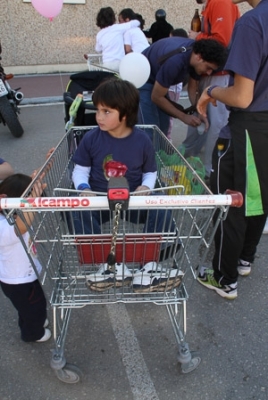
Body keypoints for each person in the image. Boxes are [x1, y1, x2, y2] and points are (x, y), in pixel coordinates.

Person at [71, 78, 180, 289]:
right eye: (98, 110)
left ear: (125, 114)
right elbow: (80, 171)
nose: (99, 117)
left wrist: (146, 187)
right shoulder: (91, 138)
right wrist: (84, 190)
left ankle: (149, 264)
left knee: (160, 201)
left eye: (106, 111)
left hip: (133, 201)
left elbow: (150, 171)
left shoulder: (142, 140)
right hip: (100, 201)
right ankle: (107, 265)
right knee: (77, 207)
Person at [196, 0, 268, 299]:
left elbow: (240, 96)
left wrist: (210, 92)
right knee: (260, 193)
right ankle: (244, 259)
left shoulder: (253, 22)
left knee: (231, 201)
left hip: (249, 125)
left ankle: (224, 278)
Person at [181, 0, 240, 179]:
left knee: (215, 126)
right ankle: (191, 166)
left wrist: (196, 37)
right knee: (202, 121)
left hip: (219, 74)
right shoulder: (211, 5)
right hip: (210, 74)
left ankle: (210, 172)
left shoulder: (220, 2)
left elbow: (222, 40)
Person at [138, 37, 228, 137]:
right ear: (199, 57)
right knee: (150, 129)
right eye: (208, 68)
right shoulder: (175, 62)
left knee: (163, 128)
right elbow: (156, 97)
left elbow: (192, 88)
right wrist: (183, 117)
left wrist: (201, 112)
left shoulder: (196, 55)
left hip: (158, 80)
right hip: (142, 78)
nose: (209, 72)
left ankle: (159, 151)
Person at [0, 171, 51, 342]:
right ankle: (32, 334)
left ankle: (31, 321)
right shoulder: (3, 227)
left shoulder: (9, 215)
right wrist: (34, 198)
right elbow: (21, 228)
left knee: (30, 306)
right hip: (17, 281)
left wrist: (39, 178)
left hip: (24, 275)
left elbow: (21, 191)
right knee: (34, 306)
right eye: (26, 201)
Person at [94, 7, 140, 71]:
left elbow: (98, 49)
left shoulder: (99, 34)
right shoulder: (118, 28)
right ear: (113, 18)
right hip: (120, 63)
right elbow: (136, 22)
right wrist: (127, 22)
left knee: (108, 80)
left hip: (107, 64)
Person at [167, 28, 188, 140]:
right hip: (171, 87)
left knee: (170, 113)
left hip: (173, 87)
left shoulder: (179, 52)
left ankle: (168, 137)